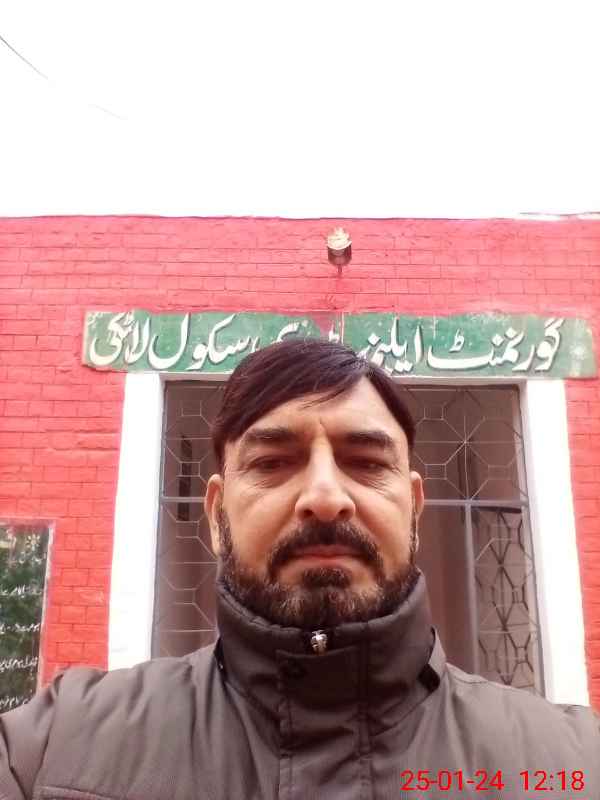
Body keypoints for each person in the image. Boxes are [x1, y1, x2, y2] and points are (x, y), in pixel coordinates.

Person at [0, 338, 598, 800]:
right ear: (216, 515)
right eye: (272, 462)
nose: (324, 497)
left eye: (367, 462)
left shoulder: (574, 765)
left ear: (414, 509)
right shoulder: (51, 749)